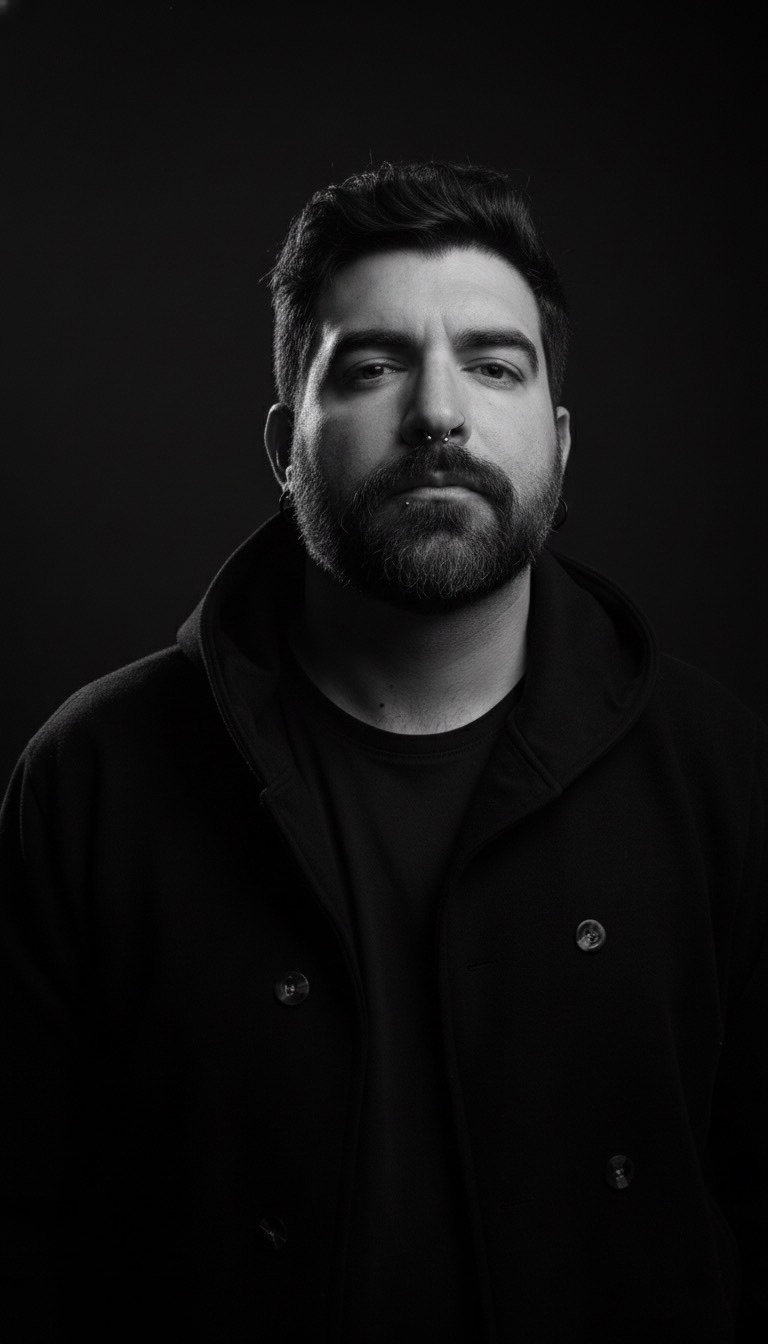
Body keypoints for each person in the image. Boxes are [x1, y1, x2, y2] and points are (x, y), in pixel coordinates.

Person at [1, 161, 765, 1343]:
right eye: (373, 366)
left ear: (558, 440)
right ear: (283, 444)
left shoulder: (720, 775)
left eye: (495, 364)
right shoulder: (93, 780)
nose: (440, 414)